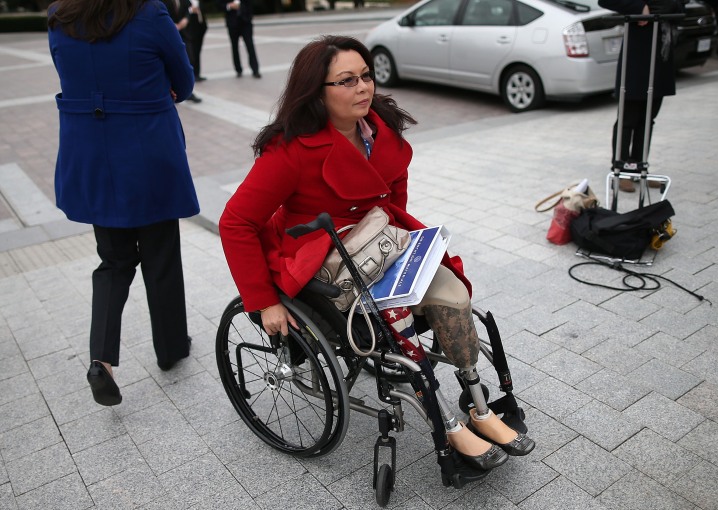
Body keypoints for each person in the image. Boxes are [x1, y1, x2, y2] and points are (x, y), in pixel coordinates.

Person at [218, 35, 535, 471]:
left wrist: (408, 238)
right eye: (347, 81)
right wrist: (264, 301)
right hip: (322, 257)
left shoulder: (380, 125)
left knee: (454, 296)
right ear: (318, 91)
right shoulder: (290, 150)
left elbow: (394, 191)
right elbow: (236, 222)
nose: (363, 87)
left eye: (366, 75)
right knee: (395, 321)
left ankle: (480, 406)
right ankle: (447, 425)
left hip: (380, 240)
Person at [48, 0, 200, 406]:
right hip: (148, 151)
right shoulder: (149, 13)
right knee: (161, 255)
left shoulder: (60, 17)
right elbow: (184, 81)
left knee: (114, 260)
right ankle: (170, 350)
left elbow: (71, 76)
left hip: (94, 156)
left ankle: (102, 361)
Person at [600, 0, 683, 192]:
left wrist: (672, 6)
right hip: (637, 57)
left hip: (660, 55)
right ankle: (620, 170)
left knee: (648, 118)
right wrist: (639, 7)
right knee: (628, 118)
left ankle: (639, 167)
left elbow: (681, 5)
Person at [162, 0, 202, 102]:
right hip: (170, 35)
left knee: (190, 59)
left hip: (184, 34)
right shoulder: (163, 2)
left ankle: (189, 91)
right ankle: (172, 89)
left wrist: (186, 20)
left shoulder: (185, 1)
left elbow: (189, 10)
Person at [217, 0, 261, 78]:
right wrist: (229, 6)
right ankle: (238, 69)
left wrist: (249, 17)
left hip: (245, 22)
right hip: (232, 24)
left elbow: (249, 4)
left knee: (250, 45)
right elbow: (219, 5)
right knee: (234, 47)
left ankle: (255, 69)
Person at [185, 0, 208, 83]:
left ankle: (197, 74)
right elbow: (183, 12)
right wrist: (191, 10)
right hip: (190, 28)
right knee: (192, 53)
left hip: (200, 27)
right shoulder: (186, 2)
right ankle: (192, 75)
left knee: (198, 51)